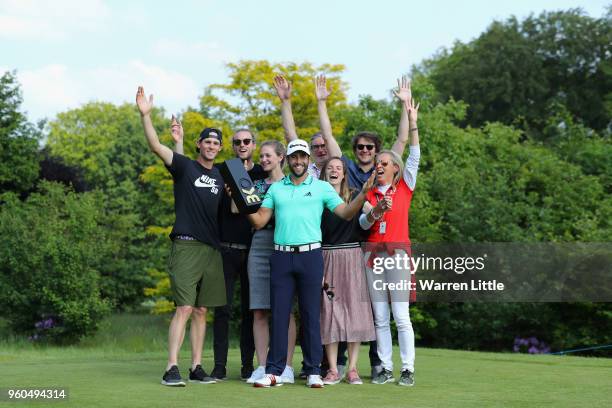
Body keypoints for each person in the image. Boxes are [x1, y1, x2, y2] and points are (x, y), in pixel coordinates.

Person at [246, 139, 374, 388]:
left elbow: (346, 214)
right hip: (282, 256)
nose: (298, 161)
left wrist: (363, 195)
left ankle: (314, 370)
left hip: (311, 256)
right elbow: (259, 221)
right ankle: (275, 371)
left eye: (303, 157)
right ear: (288, 159)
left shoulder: (322, 187)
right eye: (294, 157)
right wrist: (243, 204)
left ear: (307, 159)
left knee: (311, 315)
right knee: (280, 315)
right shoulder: (276, 189)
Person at [315, 74, 413, 378]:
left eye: (370, 148)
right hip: (351, 245)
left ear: (379, 151)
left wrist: (405, 106)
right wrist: (321, 102)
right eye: (360, 147)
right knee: (346, 305)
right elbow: (329, 138)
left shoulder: (386, 172)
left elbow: (403, 141)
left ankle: (377, 364)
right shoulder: (349, 172)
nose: (365, 151)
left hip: (376, 247)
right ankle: (341, 363)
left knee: (373, 310)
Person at [136, 86, 225, 387]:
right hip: (186, 246)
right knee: (184, 308)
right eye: (207, 141)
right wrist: (146, 116)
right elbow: (155, 146)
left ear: (219, 148)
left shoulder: (221, 176)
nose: (211, 146)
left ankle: (196, 367)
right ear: (199, 145)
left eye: (216, 142)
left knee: (201, 311)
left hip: (212, 250)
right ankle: (171, 367)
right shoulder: (185, 167)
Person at [360, 97, 420, 387]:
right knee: (380, 317)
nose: (380, 165)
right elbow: (362, 223)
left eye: (385, 162)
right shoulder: (369, 192)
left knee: (400, 315)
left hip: (397, 254)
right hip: (373, 255)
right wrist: (374, 212)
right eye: (377, 162)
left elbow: (414, 154)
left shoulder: (405, 186)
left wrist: (413, 123)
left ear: (394, 167)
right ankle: (384, 367)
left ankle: (407, 369)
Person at [243, 140, 297, 385]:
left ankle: (286, 366)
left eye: (268, 156)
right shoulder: (256, 185)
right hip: (260, 245)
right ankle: (263, 365)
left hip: (285, 243)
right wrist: (237, 191)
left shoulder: (292, 183)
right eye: (261, 156)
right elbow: (240, 211)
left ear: (280, 157)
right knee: (260, 309)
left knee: (284, 310)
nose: (263, 160)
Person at [319, 157, 376, 385]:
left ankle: (352, 369)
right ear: (324, 173)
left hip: (352, 255)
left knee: (355, 312)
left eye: (338, 168)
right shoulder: (317, 196)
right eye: (330, 168)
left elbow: (370, 217)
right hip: (326, 256)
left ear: (344, 174)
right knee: (329, 312)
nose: (334, 171)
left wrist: (375, 209)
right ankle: (333, 369)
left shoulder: (355, 195)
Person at [272, 75, 330, 178]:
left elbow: (328, 136)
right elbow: (290, 134)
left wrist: (321, 102)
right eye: (315, 147)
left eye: (323, 145)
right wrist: (285, 101)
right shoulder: (307, 171)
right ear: (310, 151)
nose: (320, 150)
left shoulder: (339, 168)